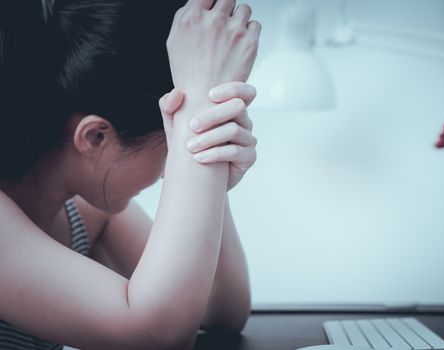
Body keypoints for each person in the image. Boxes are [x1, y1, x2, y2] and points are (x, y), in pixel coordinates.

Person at [0, 0, 261, 348]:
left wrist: (208, 154)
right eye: (171, 148)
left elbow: (221, 311)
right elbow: (157, 335)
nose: (175, 165)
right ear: (95, 137)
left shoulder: (87, 215)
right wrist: (196, 128)